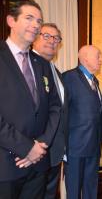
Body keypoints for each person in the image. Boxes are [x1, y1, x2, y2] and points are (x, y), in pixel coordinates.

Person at [0, 0, 61, 199]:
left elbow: (54, 107)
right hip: (6, 166)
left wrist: (41, 145)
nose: (36, 25)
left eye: (39, 21)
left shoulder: (41, 64)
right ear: (11, 20)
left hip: (38, 165)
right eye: (29, 18)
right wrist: (27, 148)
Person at [63, 45, 102, 199]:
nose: (101, 60)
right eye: (98, 56)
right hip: (75, 147)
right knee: (73, 190)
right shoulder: (69, 78)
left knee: (90, 189)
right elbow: (62, 112)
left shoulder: (95, 81)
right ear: (85, 58)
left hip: (93, 146)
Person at [32, 23, 67, 199]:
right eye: (47, 36)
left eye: (56, 38)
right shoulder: (28, 67)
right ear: (35, 37)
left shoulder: (57, 73)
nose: (52, 41)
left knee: (50, 193)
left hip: (55, 149)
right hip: (35, 149)